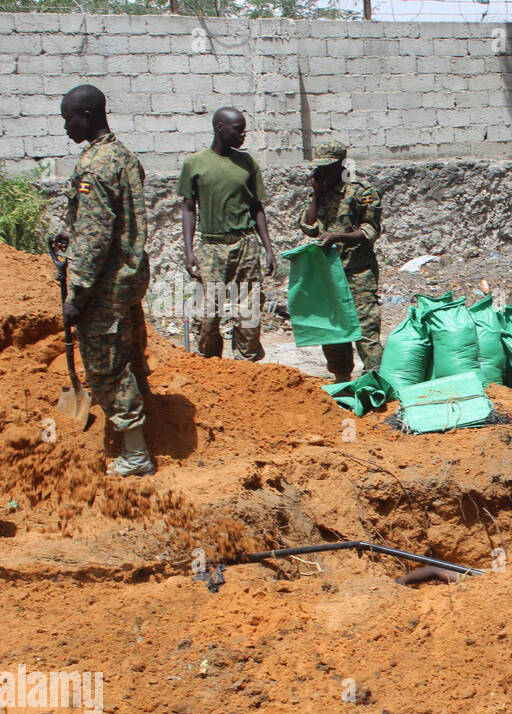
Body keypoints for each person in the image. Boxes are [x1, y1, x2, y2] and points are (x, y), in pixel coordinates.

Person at [52, 84, 154, 477]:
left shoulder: (94, 165)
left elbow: (95, 237)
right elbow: (110, 219)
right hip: (130, 274)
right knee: (128, 348)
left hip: (105, 284)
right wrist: (70, 231)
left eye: (69, 119)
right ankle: (150, 413)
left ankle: (135, 453)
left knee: (106, 367)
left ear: (88, 114)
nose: (66, 128)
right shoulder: (124, 156)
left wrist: (77, 293)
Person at [177, 107, 276, 361]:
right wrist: (189, 252)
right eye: (238, 129)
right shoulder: (195, 164)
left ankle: (247, 364)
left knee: (248, 312)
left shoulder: (247, 163)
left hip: (245, 244)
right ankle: (210, 367)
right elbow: (189, 209)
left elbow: (257, 208)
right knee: (208, 312)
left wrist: (268, 249)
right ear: (219, 127)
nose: (243, 134)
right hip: (211, 246)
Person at [298, 140, 384, 383]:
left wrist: (339, 237)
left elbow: (371, 230)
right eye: (320, 168)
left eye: (329, 167)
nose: (323, 172)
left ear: (342, 165)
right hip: (328, 273)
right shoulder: (320, 192)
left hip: (358, 272)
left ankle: (374, 382)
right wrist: (316, 193)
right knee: (333, 331)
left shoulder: (362, 192)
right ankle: (342, 381)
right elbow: (308, 226)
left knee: (366, 330)